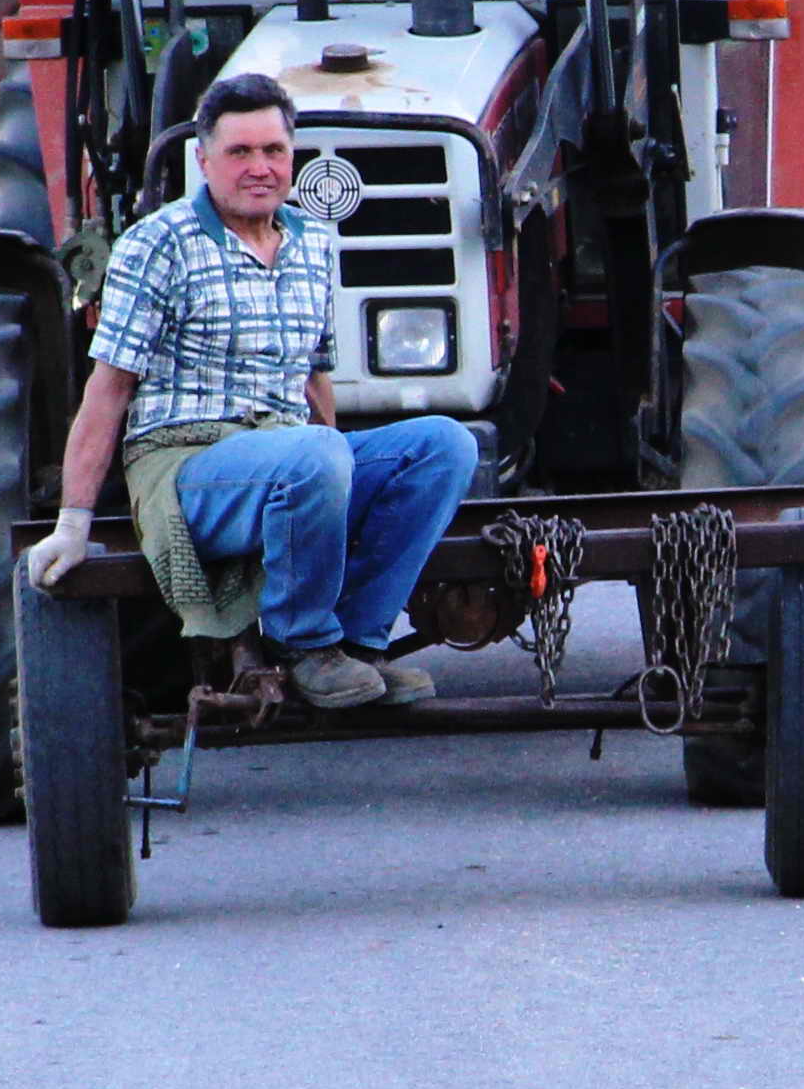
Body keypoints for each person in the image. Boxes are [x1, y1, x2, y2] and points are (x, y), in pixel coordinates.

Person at [28, 75, 480, 711]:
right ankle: (304, 649)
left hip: (287, 453)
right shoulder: (157, 244)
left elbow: (314, 376)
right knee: (312, 456)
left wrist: (336, 477)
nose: (259, 168)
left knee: (444, 445)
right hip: (185, 463)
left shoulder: (313, 243)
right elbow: (109, 390)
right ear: (205, 160)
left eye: (273, 151)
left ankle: (359, 644)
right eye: (240, 153)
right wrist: (72, 525)